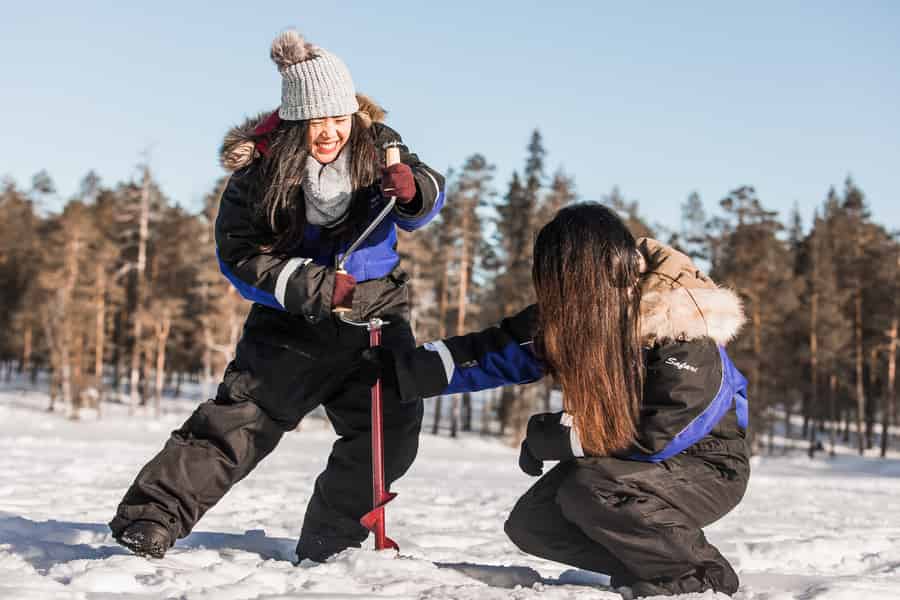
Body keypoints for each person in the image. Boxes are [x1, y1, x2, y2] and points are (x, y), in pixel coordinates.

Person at [109, 29, 445, 563]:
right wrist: (316, 286)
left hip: (376, 318)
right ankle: (152, 517)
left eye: (339, 118)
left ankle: (330, 543)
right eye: (317, 121)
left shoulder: (382, 144)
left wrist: (415, 187)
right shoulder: (258, 173)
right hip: (292, 322)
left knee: (389, 439)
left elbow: (425, 196)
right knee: (238, 423)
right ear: (295, 121)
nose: (330, 132)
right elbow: (239, 256)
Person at [362, 204, 749, 597]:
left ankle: (702, 576)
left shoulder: (681, 324)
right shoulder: (581, 315)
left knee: (590, 489)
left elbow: (660, 432)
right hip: (624, 462)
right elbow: (495, 352)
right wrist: (403, 370)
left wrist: (561, 438)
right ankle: (656, 569)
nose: (558, 296)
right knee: (535, 522)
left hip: (706, 464)